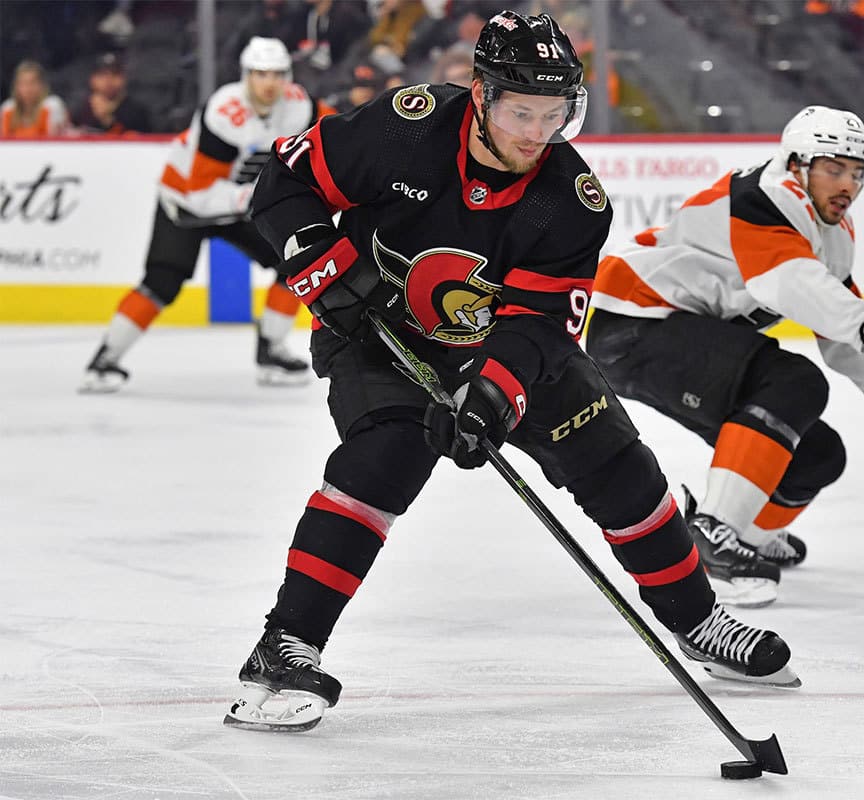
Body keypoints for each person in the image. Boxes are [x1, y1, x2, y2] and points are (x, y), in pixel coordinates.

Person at [223, 10, 799, 733]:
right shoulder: (406, 126)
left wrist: (493, 393)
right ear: (481, 96)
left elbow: (538, 326)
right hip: (378, 333)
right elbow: (285, 178)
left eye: (554, 114)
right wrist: (320, 262)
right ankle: (284, 648)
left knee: (618, 466)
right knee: (383, 459)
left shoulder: (573, 199)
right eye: (522, 111)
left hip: (504, 347)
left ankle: (699, 621)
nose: (536, 132)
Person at [586, 106, 864, 608]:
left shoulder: (832, 231)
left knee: (816, 453)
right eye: (834, 169)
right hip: (635, 324)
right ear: (796, 164)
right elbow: (786, 283)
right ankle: (713, 534)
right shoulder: (764, 196)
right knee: (793, 383)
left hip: (676, 334)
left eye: (855, 173)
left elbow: (840, 334)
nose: (846, 185)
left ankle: (749, 536)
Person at [80, 37, 331, 393]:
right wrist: (266, 196)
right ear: (246, 75)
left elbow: (336, 138)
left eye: (277, 74)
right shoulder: (224, 113)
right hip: (187, 205)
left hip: (240, 201)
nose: (269, 83)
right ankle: (104, 359)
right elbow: (201, 193)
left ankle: (271, 351)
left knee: (297, 260)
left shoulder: (300, 105)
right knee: (162, 283)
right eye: (261, 74)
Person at [70, 52, 153, 136]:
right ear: (92, 79)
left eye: (115, 74)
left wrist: (107, 119)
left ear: (124, 78)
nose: (108, 80)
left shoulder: (136, 111)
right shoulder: (81, 108)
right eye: (102, 75)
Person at [1, 60, 69, 138]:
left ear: (42, 85)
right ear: (16, 86)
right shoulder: (8, 109)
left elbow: (55, 140)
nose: (28, 89)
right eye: (23, 83)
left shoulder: (52, 106)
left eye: (32, 83)